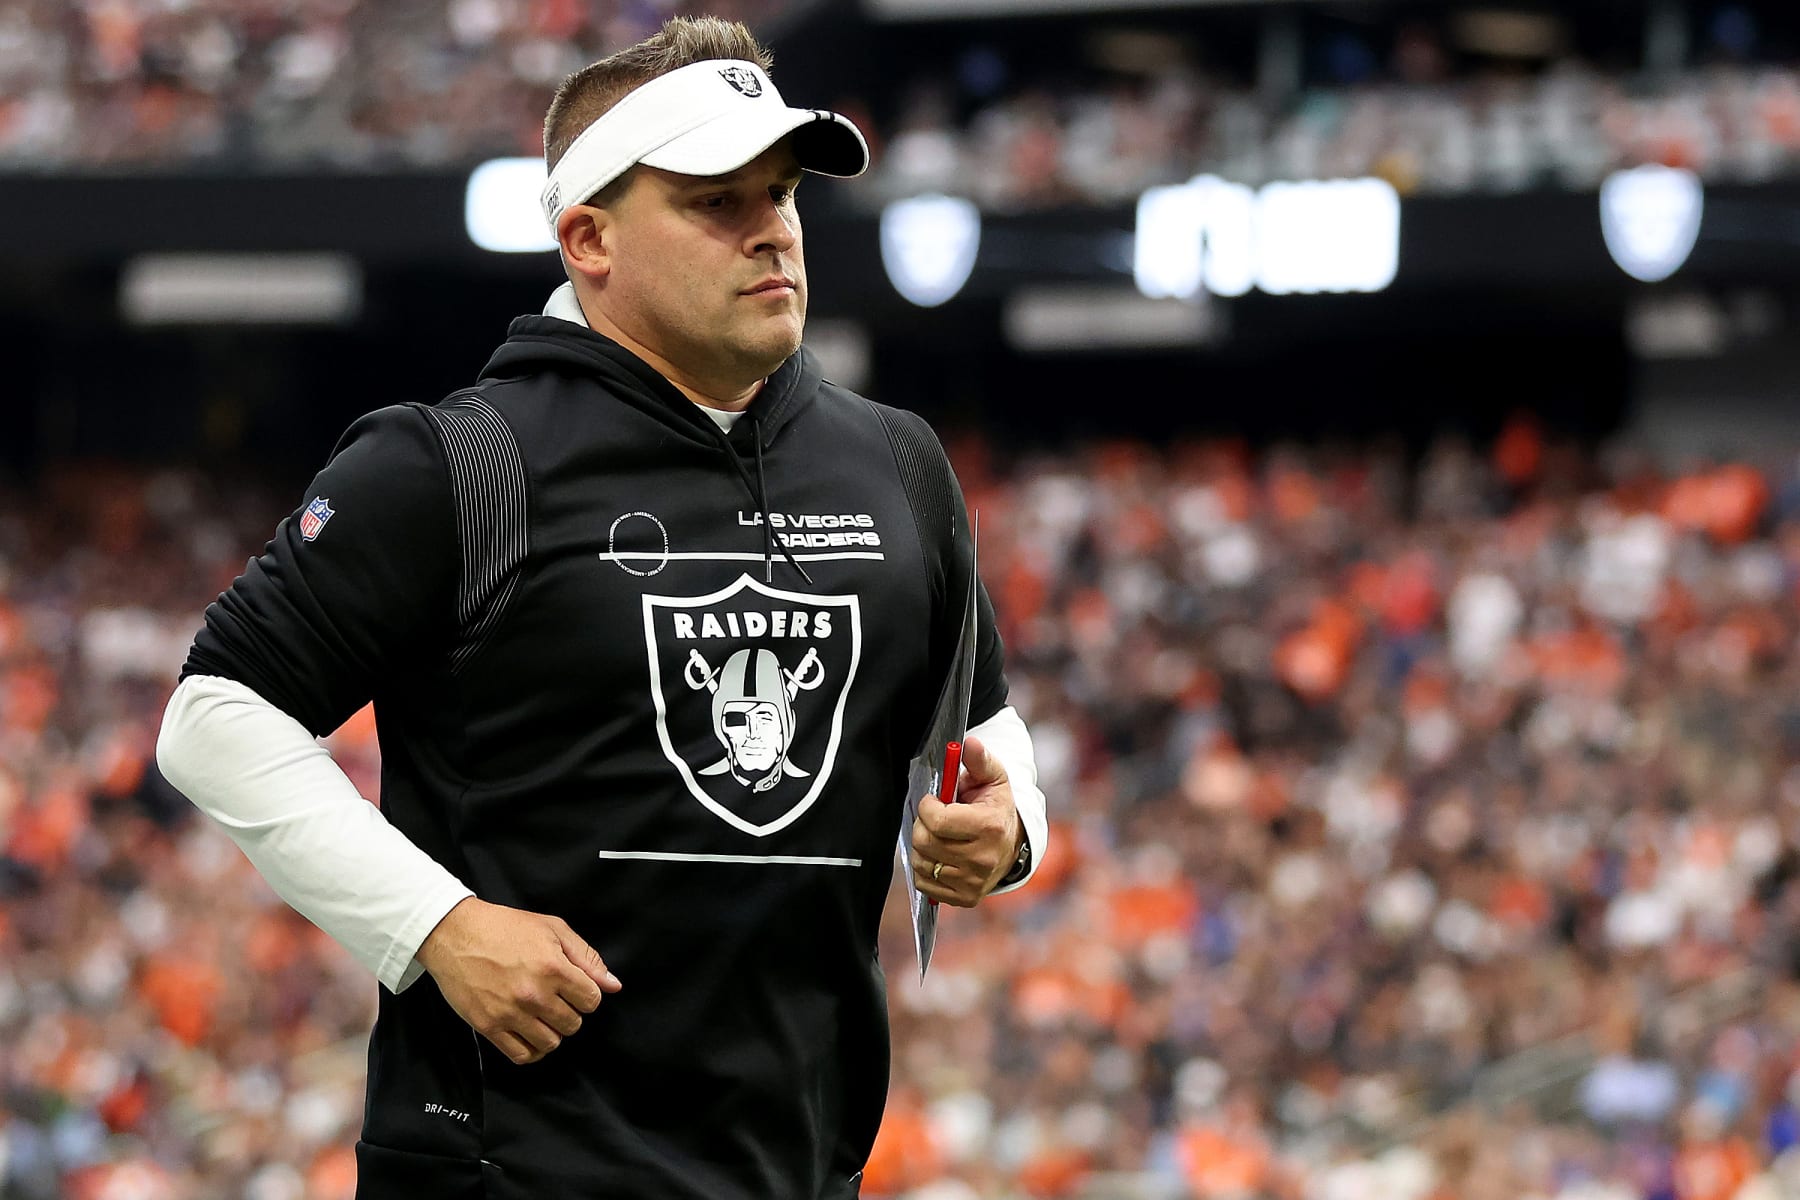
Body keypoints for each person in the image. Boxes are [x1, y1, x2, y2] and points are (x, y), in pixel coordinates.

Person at [154, 16, 1047, 1200]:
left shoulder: (897, 462)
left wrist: (1012, 826)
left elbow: (979, 727)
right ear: (589, 240)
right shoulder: (455, 464)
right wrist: (437, 925)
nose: (771, 230)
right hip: (504, 1167)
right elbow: (215, 715)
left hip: (800, 1166)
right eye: (714, 201)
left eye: (778, 194)